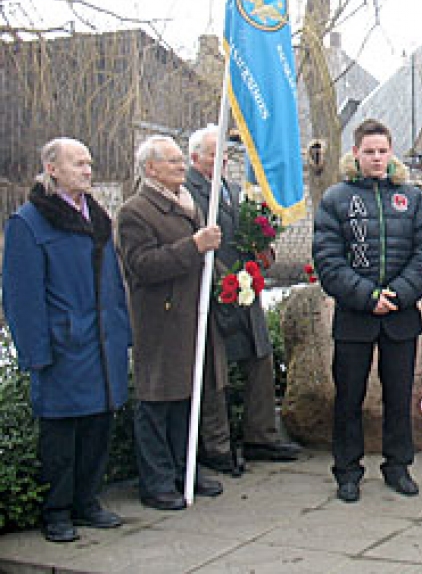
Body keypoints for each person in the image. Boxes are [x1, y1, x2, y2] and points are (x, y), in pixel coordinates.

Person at [2, 138, 132, 542]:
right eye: (78, 164)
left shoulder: (97, 217)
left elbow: (113, 281)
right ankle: (56, 510)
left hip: (101, 341)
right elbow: (21, 296)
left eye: (90, 163)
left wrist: (121, 331)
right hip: (64, 344)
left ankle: (86, 501)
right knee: (62, 431)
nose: (88, 170)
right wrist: (35, 352)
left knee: (98, 423)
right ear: (52, 169)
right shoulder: (30, 223)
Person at [313, 119, 422, 502]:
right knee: (348, 397)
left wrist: (399, 294)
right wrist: (368, 296)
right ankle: (347, 471)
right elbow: (328, 259)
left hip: (401, 316)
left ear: (391, 152)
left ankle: (398, 466)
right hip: (355, 317)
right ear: (356, 154)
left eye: (382, 151)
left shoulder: (411, 198)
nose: (376, 158)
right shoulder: (336, 199)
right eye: (369, 151)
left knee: (398, 396)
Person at [116, 135, 226, 511]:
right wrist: (193, 246)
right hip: (160, 320)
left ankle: (185, 469)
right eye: (174, 162)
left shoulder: (187, 203)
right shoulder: (136, 212)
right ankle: (156, 481)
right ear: (151, 168)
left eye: (182, 161)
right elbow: (143, 266)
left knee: (186, 398)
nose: (182, 167)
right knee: (156, 402)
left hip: (189, 315)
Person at [184, 126, 300, 474]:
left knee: (259, 359)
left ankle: (261, 435)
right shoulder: (187, 194)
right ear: (195, 158)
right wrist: (225, 277)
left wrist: (262, 251)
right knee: (215, 372)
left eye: (223, 153)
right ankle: (217, 446)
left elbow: (248, 234)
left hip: (245, 290)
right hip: (214, 292)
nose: (220, 159)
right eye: (212, 153)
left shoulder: (233, 191)